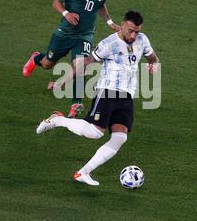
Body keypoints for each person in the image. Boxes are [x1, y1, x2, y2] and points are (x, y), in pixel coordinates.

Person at [36, 11, 159, 186]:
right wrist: (61, 81)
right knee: (95, 133)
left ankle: (83, 173)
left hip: (127, 95)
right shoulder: (109, 44)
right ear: (123, 24)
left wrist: (154, 66)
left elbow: (153, 58)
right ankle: (58, 120)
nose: (134, 35)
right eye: (131, 30)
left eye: (137, 32)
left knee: (120, 138)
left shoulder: (142, 39)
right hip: (107, 91)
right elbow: (84, 63)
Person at [23, 0, 120, 118]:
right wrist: (66, 13)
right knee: (47, 63)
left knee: (81, 66)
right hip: (64, 34)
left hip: (84, 36)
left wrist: (110, 22)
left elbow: (100, 4)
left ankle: (76, 103)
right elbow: (56, 2)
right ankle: (36, 58)